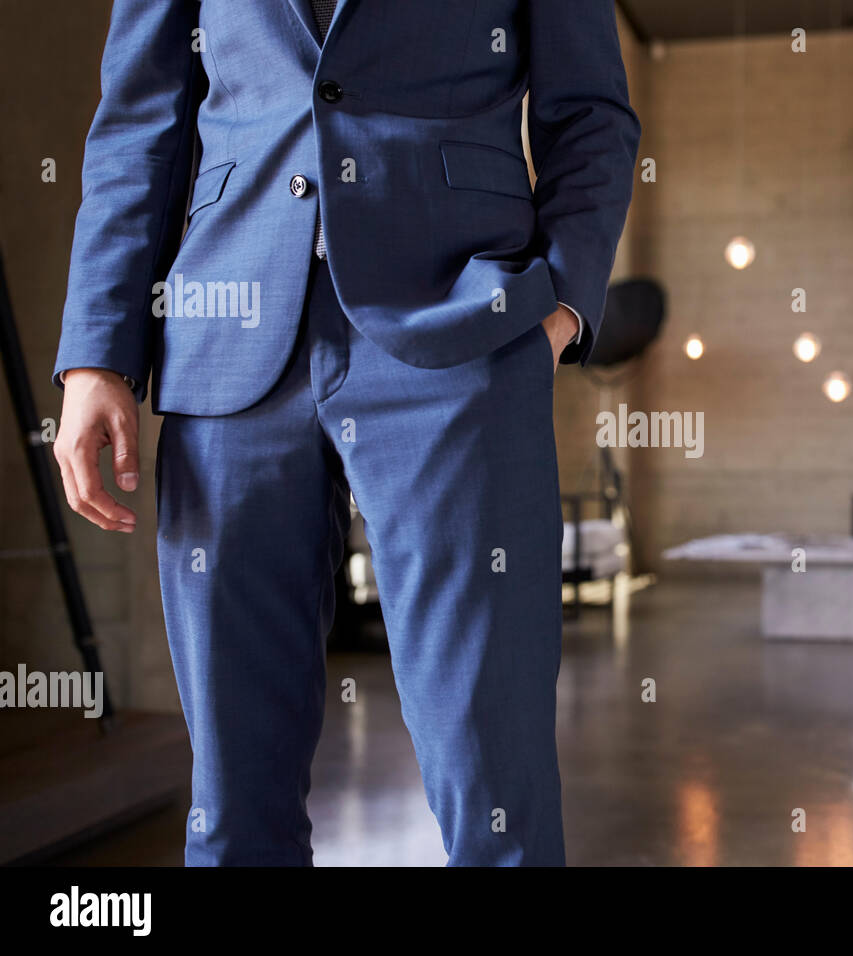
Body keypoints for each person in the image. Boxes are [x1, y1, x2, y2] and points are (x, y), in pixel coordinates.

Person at [51, 0, 640, 866]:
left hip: (460, 334)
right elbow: (139, 119)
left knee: (494, 788)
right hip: (229, 334)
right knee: (232, 798)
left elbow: (590, 111)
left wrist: (554, 310)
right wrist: (97, 354)